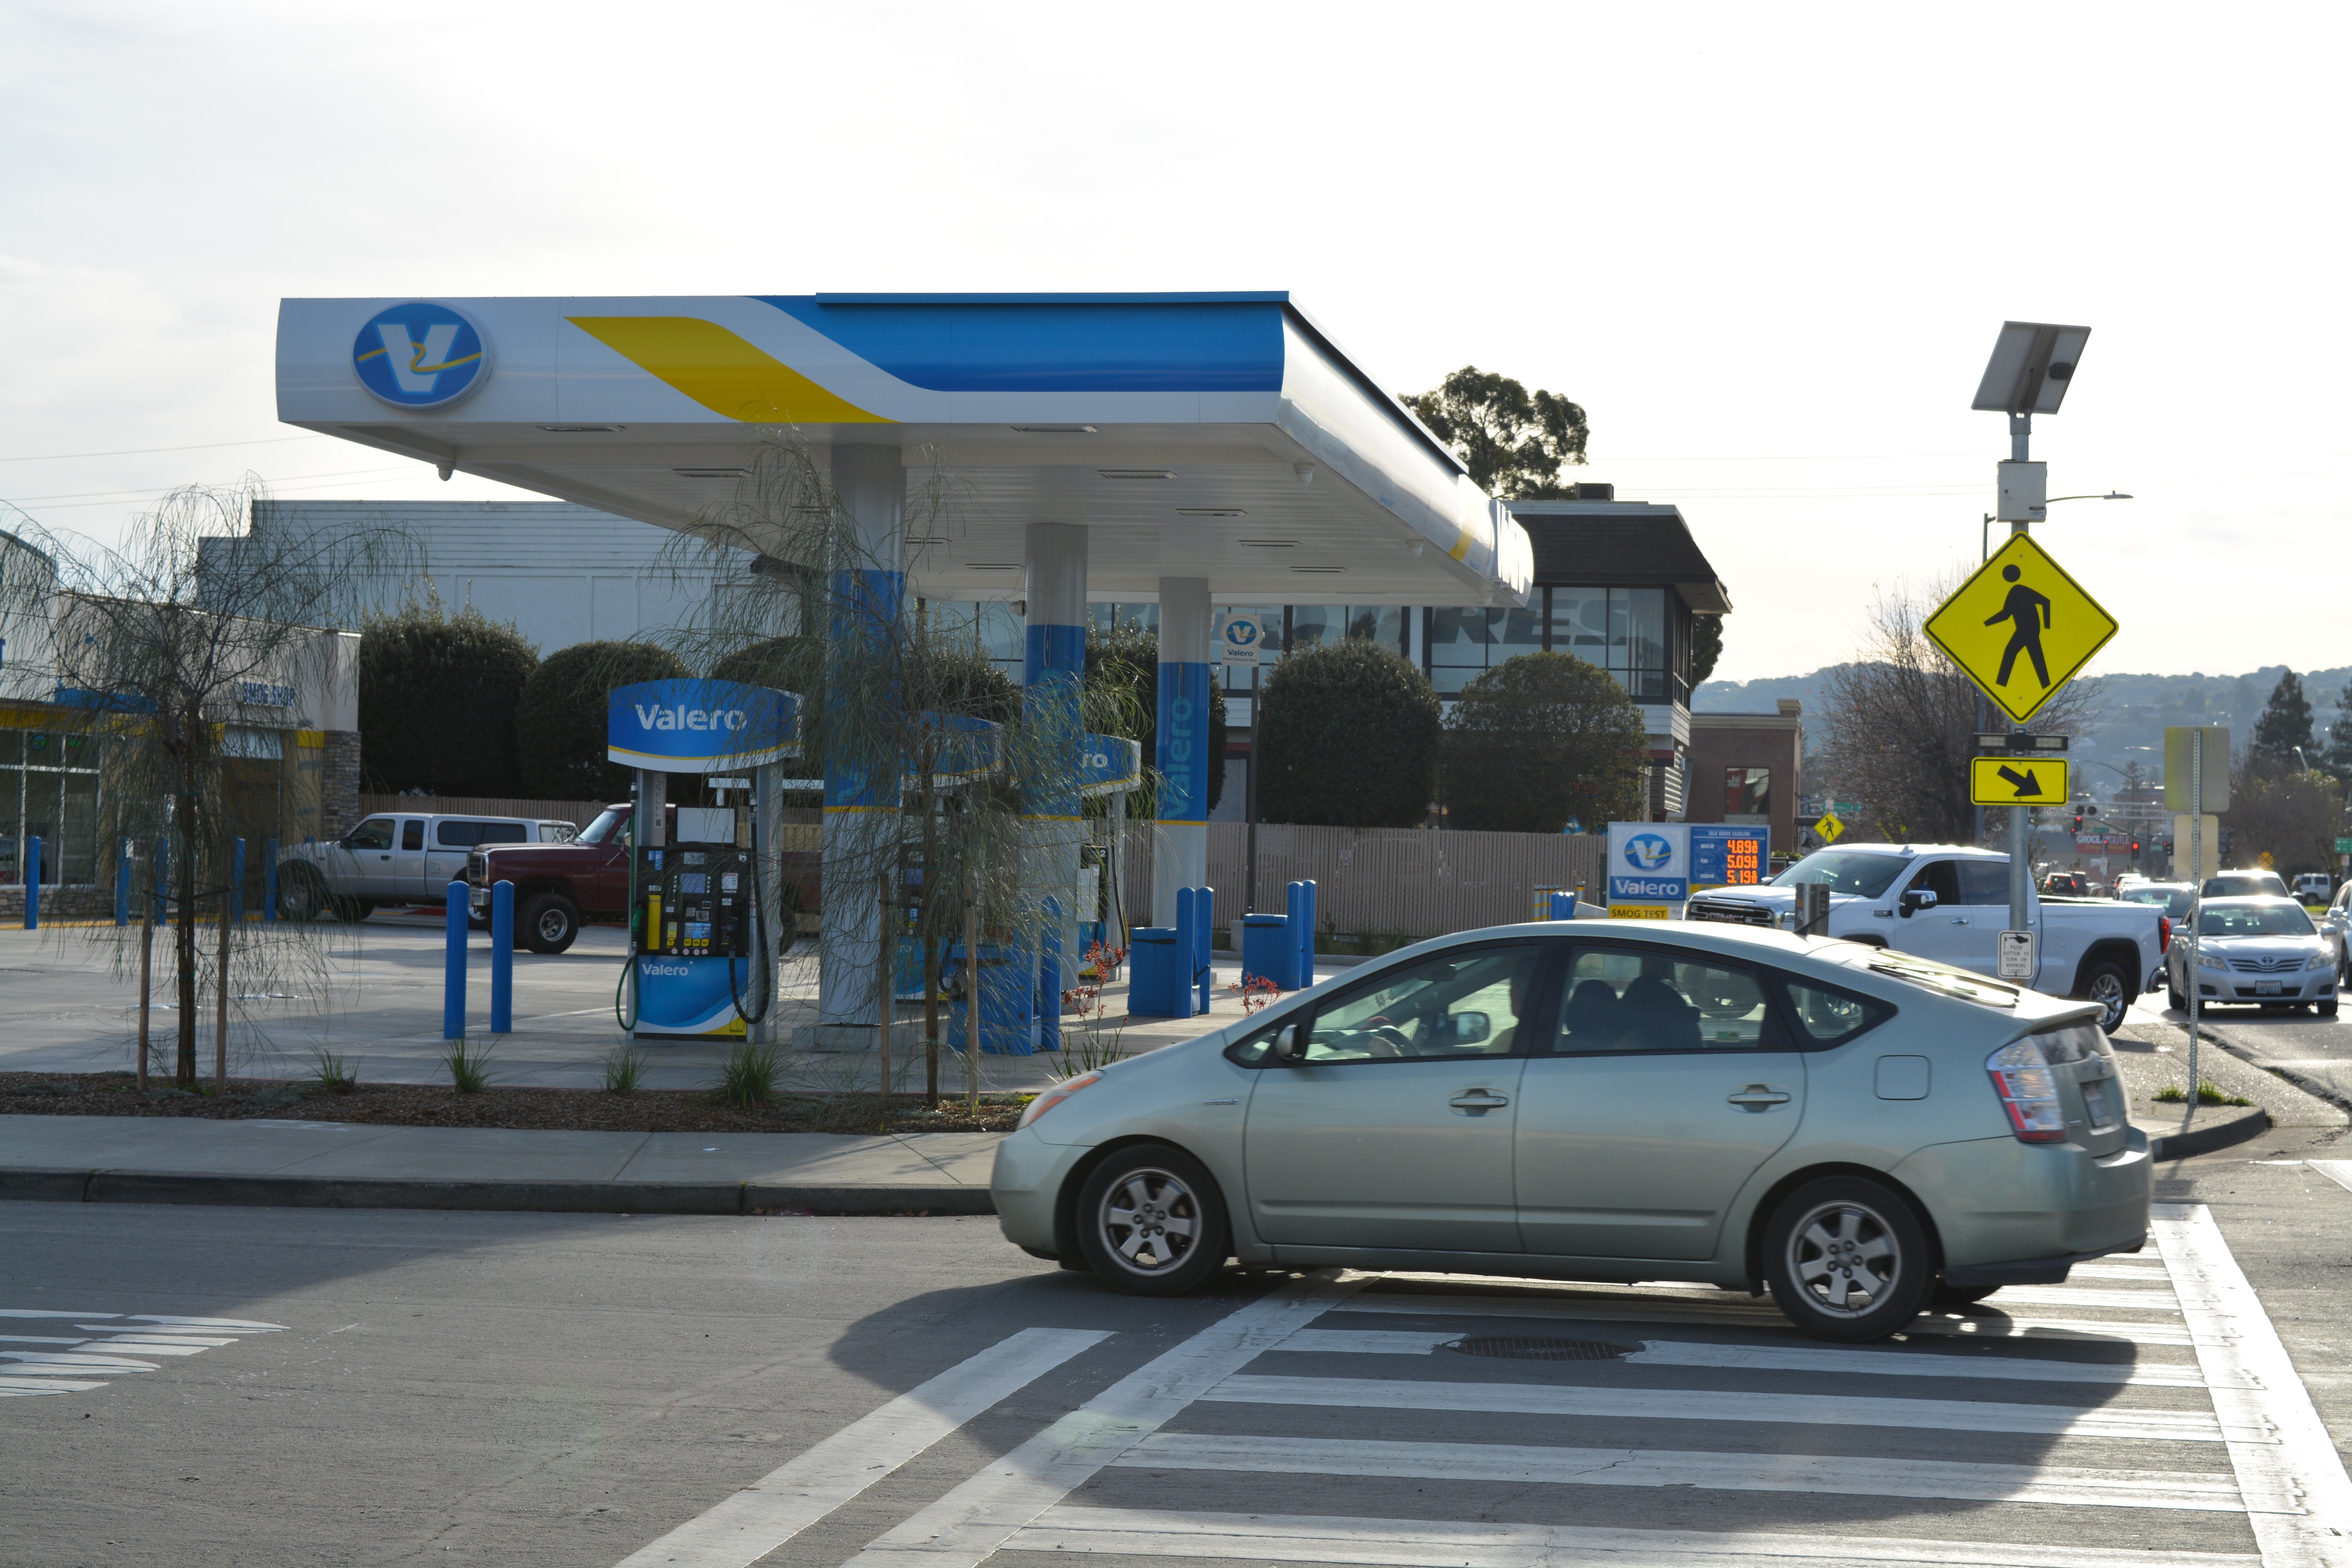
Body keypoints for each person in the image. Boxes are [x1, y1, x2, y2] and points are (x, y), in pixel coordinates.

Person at [1985, 563, 2053, 689]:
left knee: (2011, 652)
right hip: (2027, 630)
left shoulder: (2019, 590)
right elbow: (2006, 615)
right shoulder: (2015, 592)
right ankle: (2046, 685)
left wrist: (2047, 627)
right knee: (2037, 659)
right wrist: (1986, 624)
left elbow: (2046, 602)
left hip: (2028, 630)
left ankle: (2001, 685)